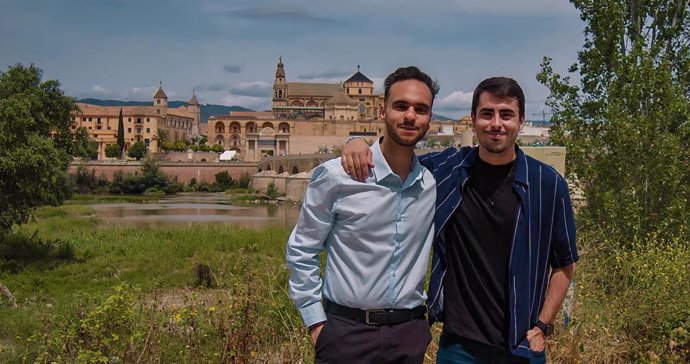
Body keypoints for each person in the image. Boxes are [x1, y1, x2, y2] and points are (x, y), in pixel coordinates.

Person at [342, 77, 578, 363]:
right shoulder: (446, 171)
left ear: (521, 120)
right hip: (460, 347)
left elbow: (565, 263)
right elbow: (396, 159)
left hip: (522, 346)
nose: (496, 124)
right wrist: (355, 142)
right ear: (474, 119)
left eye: (506, 115)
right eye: (487, 114)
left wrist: (542, 326)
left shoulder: (547, 183)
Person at [286, 66, 440, 363]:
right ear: (381, 111)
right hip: (346, 334)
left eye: (421, 109)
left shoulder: (432, 183)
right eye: (401, 106)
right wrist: (316, 323)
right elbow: (302, 249)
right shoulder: (336, 177)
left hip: (409, 336)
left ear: (430, 119)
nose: (410, 115)